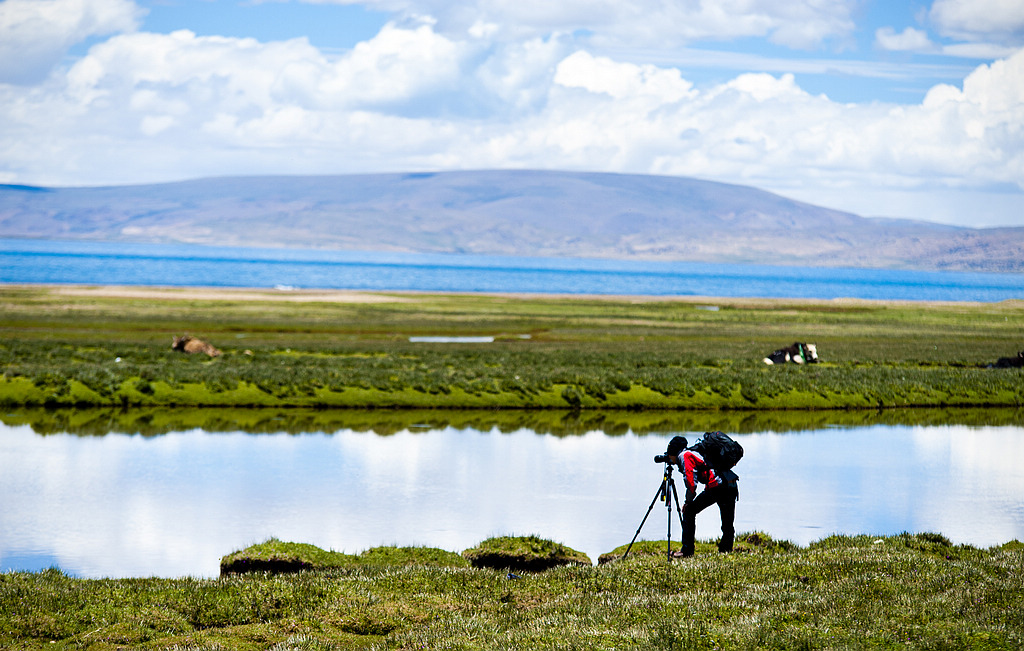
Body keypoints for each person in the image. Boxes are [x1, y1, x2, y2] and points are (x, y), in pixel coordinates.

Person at [664, 435, 739, 557]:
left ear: (673, 452)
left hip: (717, 486)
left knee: (688, 511)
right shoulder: (694, 452)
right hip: (731, 484)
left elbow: (691, 484)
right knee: (727, 522)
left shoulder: (684, 456)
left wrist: (687, 502)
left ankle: (687, 551)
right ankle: (726, 551)